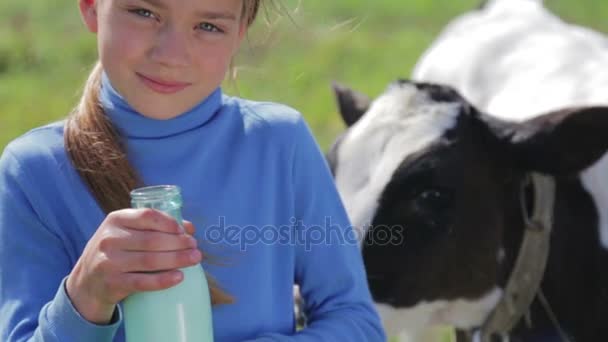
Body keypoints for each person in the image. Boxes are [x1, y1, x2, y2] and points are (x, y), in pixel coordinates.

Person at [0, 0, 386, 341]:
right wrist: (84, 298)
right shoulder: (33, 171)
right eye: (144, 12)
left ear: (239, 32)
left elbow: (356, 324)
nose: (171, 54)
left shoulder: (279, 144)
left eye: (208, 26)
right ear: (90, 7)